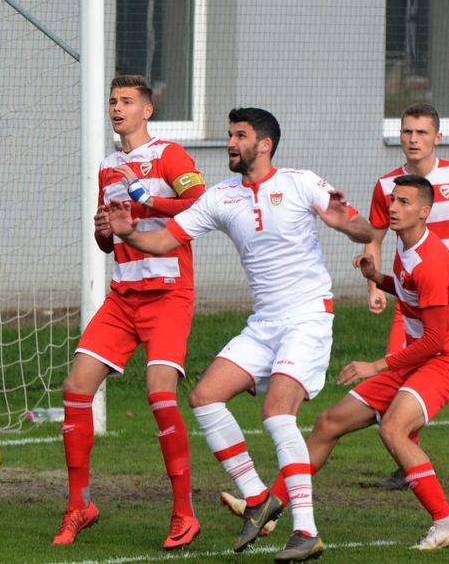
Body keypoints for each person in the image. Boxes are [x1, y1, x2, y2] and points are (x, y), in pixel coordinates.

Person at [107, 107, 374, 562]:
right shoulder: (220, 196)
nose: (230, 143)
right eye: (230, 135)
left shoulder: (299, 182)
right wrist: (128, 232)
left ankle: (306, 529)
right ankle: (257, 498)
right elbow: (165, 240)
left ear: (264, 144)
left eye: (240, 135)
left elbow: (365, 229)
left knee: (276, 412)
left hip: (307, 317)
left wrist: (344, 222)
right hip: (265, 322)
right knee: (205, 396)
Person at [224, 175, 449, 553]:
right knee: (328, 422)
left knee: (393, 430)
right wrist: (378, 279)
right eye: (392, 200)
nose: (392, 207)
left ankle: (446, 522)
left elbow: (437, 340)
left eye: (404, 202)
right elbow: (410, 289)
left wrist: (377, 365)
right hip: (417, 359)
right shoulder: (407, 247)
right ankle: (270, 507)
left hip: (444, 362)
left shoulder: (432, 260)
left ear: (425, 212)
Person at [51, 75, 207, 549]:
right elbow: (108, 240)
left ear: (147, 110)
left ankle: (184, 513)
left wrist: (145, 200)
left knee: (159, 394)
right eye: (112, 101)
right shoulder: (108, 166)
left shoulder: (170, 155)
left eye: (126, 102)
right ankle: (80, 505)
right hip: (123, 297)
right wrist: (105, 229)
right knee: (76, 388)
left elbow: (199, 204)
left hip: (168, 295)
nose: (117, 108)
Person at [365, 103, 449, 493]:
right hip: (409, 300)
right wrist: (374, 286)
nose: (413, 139)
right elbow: (373, 240)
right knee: (397, 374)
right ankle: (408, 462)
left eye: (422, 133)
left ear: (437, 138)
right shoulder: (386, 185)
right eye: (407, 131)